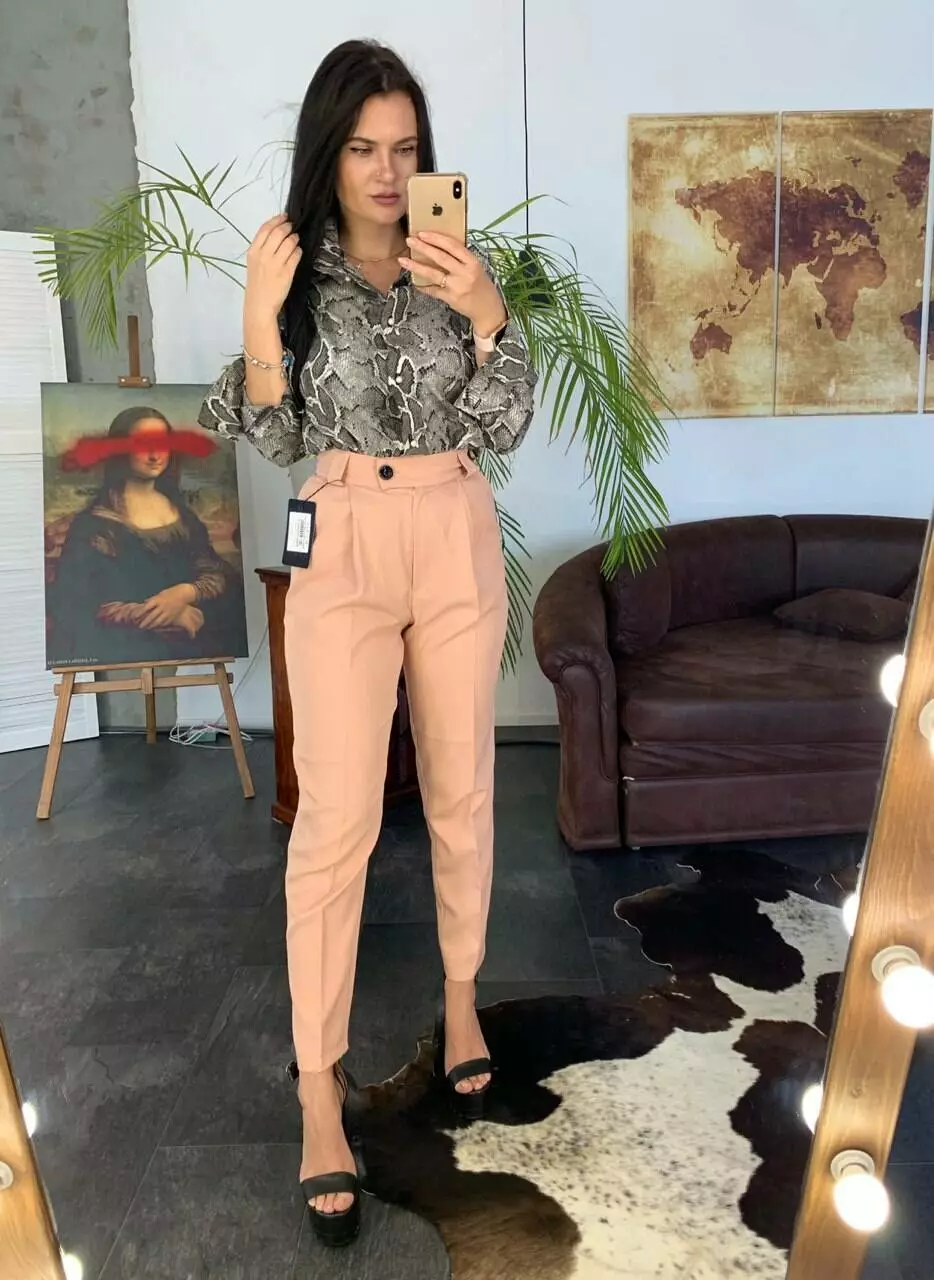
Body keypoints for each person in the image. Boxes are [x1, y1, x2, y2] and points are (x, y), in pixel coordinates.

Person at [199, 38, 536, 1246]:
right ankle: (317, 1085)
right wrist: (257, 314)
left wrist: (490, 317)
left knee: (461, 786)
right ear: (328, 154)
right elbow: (273, 435)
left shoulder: (459, 264)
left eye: (405, 149)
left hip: (452, 523)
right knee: (334, 820)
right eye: (362, 148)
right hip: (340, 529)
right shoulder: (296, 272)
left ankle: (462, 1002)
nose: (388, 173)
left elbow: (504, 423)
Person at [48, 407, 245, 666]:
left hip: (191, 641)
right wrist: (163, 614)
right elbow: (80, 603)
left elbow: (214, 571)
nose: (155, 455)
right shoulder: (94, 526)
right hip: (124, 646)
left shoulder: (182, 515)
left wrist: (184, 593)